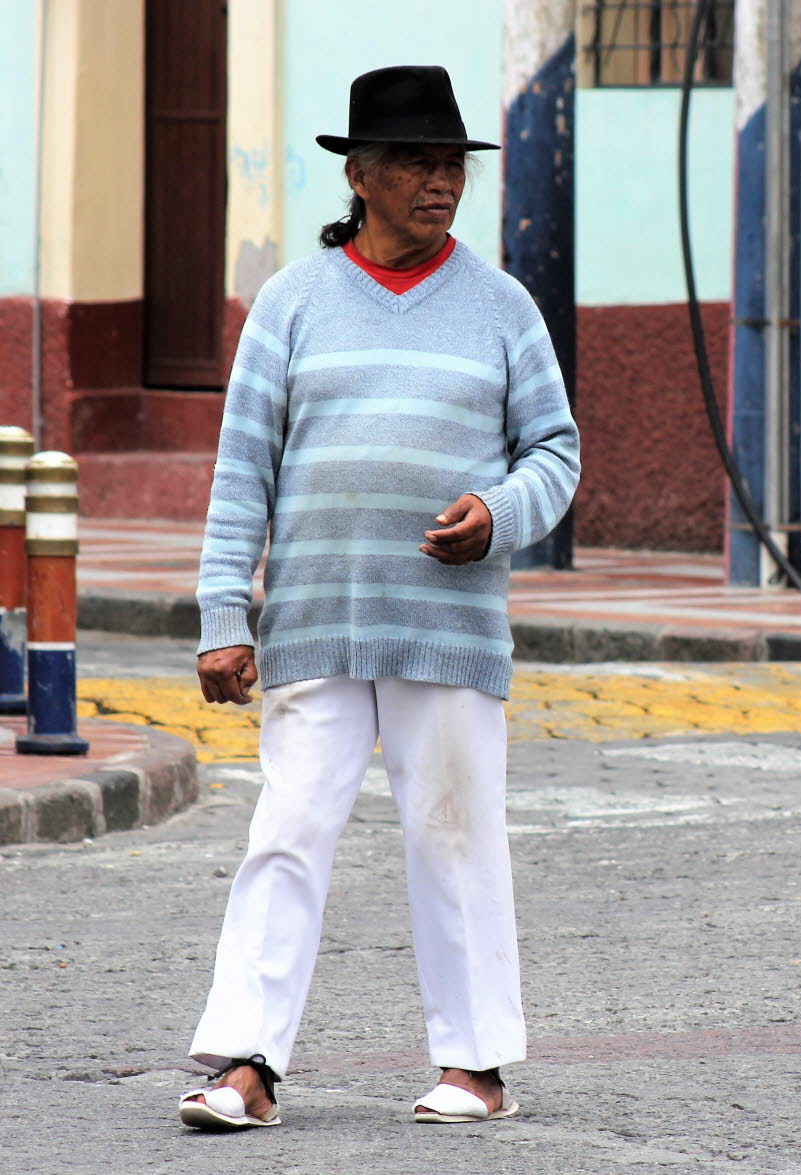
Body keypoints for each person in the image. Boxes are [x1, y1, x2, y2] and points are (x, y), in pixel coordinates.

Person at [178, 64, 580, 1130]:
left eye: (450, 164)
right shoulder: (292, 302)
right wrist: (225, 615)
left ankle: (475, 1063)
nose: (437, 183)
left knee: (453, 833)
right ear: (359, 176)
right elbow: (241, 470)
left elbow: (555, 449)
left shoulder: (501, 307)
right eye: (413, 163)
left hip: (445, 627)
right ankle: (246, 1062)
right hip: (315, 618)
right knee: (287, 829)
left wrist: (496, 513)